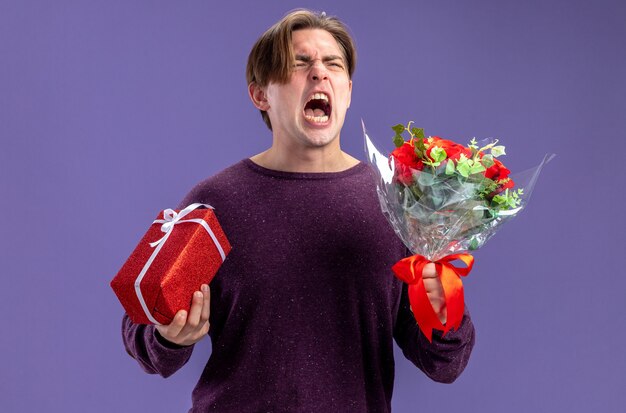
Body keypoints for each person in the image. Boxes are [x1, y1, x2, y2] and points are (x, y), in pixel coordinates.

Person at [121, 9, 475, 412]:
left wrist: (446, 314)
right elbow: (140, 327)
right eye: (300, 63)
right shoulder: (215, 203)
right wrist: (169, 338)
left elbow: (444, 365)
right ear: (260, 94)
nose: (319, 73)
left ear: (347, 89)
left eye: (333, 64)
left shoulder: (397, 204)